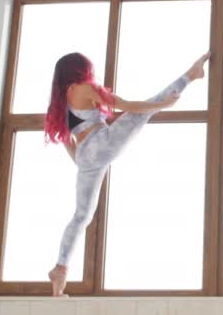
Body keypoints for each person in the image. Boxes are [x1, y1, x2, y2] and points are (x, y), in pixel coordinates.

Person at [44, 51, 211, 296]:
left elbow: (67, 140)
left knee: (82, 216)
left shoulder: (62, 100)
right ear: (81, 69)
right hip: (100, 144)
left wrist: (84, 162)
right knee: (141, 112)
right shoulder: (85, 88)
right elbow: (125, 105)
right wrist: (162, 105)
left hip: (84, 156)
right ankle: (190, 75)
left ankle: (60, 269)